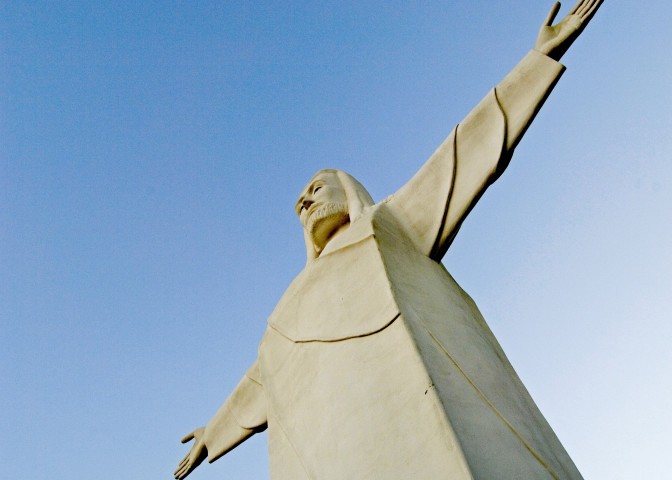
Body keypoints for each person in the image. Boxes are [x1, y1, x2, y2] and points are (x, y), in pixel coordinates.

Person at [175, 1, 603, 478]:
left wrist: (536, 61)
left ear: (348, 187)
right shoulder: (282, 314)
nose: (304, 202)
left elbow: (468, 151)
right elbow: (260, 383)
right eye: (300, 200)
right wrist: (213, 434)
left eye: (315, 187)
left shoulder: (389, 225)